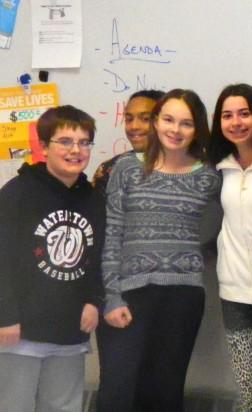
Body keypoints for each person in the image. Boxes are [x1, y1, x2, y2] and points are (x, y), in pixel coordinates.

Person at [96, 89, 222, 412]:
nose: (175, 130)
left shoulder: (209, 176)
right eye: (168, 120)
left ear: (198, 129)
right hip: (128, 296)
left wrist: (202, 251)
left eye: (186, 123)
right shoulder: (126, 168)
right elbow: (112, 234)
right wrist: (111, 297)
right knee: (117, 393)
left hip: (183, 297)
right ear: (156, 122)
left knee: (165, 394)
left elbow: (236, 220)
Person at [0, 106, 105, 412]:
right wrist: (5, 316)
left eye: (84, 142)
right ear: (44, 146)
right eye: (65, 141)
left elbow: (96, 257)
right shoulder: (17, 193)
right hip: (19, 332)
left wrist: (93, 301)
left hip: (70, 332)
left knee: (63, 407)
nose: (76, 150)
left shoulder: (93, 199)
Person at [208, 83, 252, 411]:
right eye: (227, 115)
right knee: (249, 393)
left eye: (244, 113)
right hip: (235, 294)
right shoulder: (217, 168)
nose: (236, 122)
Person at [92, 89, 164, 196]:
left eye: (145, 119)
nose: (134, 126)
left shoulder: (188, 167)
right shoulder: (110, 169)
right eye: (129, 119)